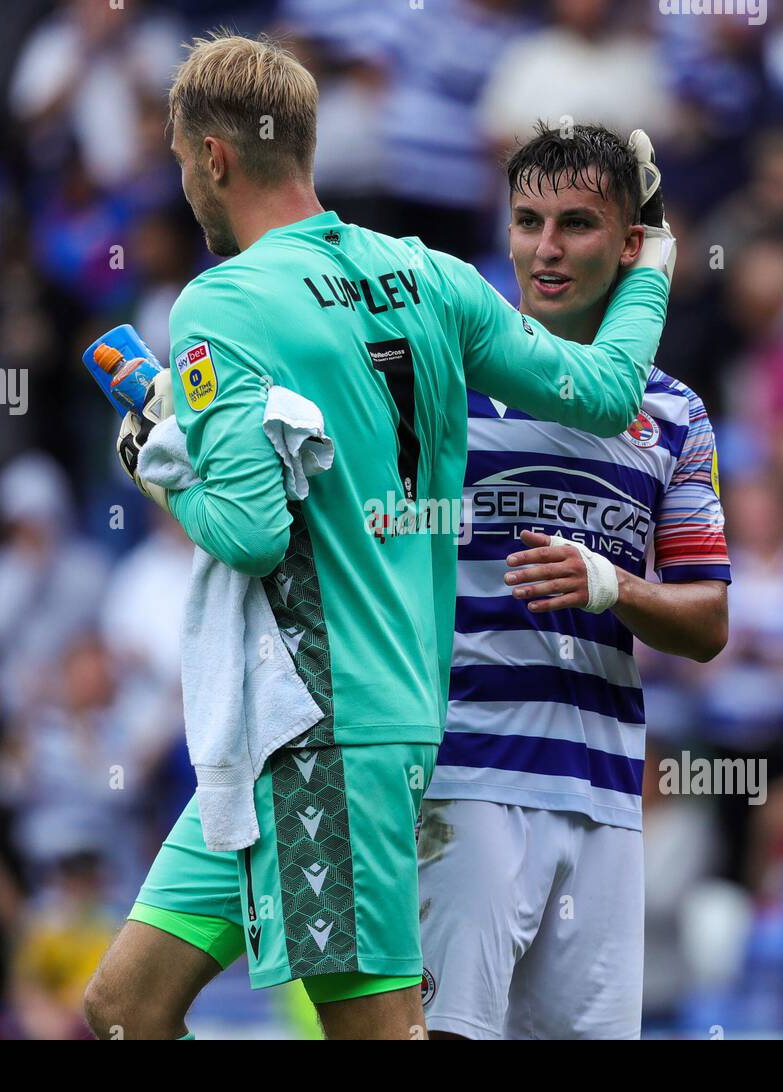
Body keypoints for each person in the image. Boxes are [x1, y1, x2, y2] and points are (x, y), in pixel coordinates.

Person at [84, 33, 674, 1041]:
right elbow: (609, 389)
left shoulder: (220, 303)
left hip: (323, 726)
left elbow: (251, 529)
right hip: (303, 727)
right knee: (125, 1007)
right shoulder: (431, 277)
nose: (183, 184)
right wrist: (650, 259)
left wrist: (151, 452)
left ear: (216, 158)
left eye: (182, 161)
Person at [417, 123, 730, 1039]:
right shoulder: (443, 386)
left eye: (577, 225)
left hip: (603, 794)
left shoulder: (674, 413)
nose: (545, 250)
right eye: (526, 222)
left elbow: (709, 621)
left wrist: (613, 587)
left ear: (633, 246)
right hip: (463, 775)